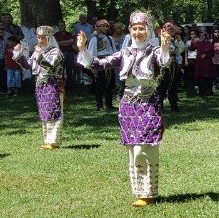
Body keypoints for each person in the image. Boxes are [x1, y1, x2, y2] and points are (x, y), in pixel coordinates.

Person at [77, 11, 175, 207]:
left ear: (148, 31)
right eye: (135, 29)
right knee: (132, 149)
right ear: (130, 31)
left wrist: (165, 46)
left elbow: (164, 62)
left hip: (149, 103)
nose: (138, 32)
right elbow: (98, 63)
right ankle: (141, 193)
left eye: (142, 29)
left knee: (144, 147)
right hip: (128, 105)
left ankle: (149, 190)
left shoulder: (154, 51)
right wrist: (83, 49)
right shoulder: (124, 52)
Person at [14, 25, 65, 149]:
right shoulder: (38, 51)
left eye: (42, 38)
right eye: (38, 37)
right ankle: (48, 140)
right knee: (44, 112)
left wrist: (40, 54)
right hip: (40, 85)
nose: (39, 40)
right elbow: (28, 65)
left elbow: (49, 65)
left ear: (49, 38)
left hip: (52, 84)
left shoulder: (56, 52)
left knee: (54, 111)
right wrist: (19, 53)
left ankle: (54, 141)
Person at [87, 19, 117, 110]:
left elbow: (114, 51)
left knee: (110, 84)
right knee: (100, 84)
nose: (106, 28)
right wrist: (93, 66)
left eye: (107, 26)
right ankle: (99, 105)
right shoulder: (94, 39)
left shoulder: (110, 38)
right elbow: (92, 53)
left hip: (109, 62)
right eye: (103, 26)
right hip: (100, 63)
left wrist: (115, 61)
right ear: (98, 27)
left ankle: (109, 104)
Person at [156, 23, 185, 111]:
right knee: (162, 84)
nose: (172, 32)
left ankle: (173, 105)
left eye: (173, 31)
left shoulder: (174, 40)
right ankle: (159, 106)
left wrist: (179, 41)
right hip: (162, 65)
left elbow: (180, 51)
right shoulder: (158, 39)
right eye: (170, 30)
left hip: (173, 65)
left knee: (173, 85)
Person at [189, 28, 215, 96]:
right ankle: (202, 92)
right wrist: (193, 41)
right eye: (200, 35)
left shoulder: (209, 43)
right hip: (199, 63)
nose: (202, 37)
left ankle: (209, 91)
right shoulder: (196, 43)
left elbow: (212, 53)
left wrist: (206, 55)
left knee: (208, 78)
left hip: (208, 63)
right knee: (201, 78)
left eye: (203, 35)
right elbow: (191, 50)